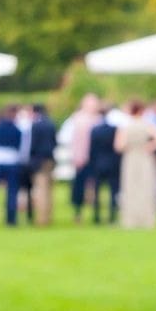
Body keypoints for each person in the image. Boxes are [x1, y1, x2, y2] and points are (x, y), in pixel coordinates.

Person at [116, 99, 156, 229]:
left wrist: (130, 147)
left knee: (131, 187)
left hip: (131, 157)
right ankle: (147, 219)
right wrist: (150, 146)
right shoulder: (147, 124)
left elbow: (119, 146)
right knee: (146, 187)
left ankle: (131, 220)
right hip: (144, 157)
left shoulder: (126, 126)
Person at [62, 93, 101, 223]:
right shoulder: (76, 119)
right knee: (79, 187)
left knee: (96, 186)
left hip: (95, 159)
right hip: (81, 159)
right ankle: (78, 213)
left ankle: (96, 214)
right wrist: (76, 156)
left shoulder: (99, 119)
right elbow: (67, 138)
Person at [87, 108, 122, 224]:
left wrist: (91, 165)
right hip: (112, 164)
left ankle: (96, 216)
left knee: (97, 191)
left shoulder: (95, 130)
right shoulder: (114, 129)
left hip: (98, 164)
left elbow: (91, 150)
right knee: (113, 191)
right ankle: (112, 216)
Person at [27, 103, 58, 226]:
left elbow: (33, 145)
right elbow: (55, 142)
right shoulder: (51, 124)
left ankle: (42, 219)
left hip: (39, 161)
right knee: (49, 190)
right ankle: (48, 216)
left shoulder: (36, 125)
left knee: (41, 190)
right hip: (50, 159)